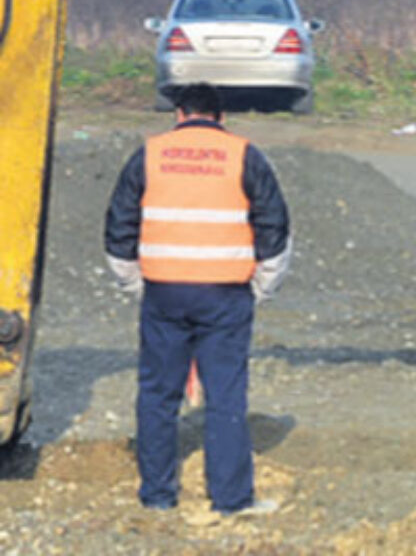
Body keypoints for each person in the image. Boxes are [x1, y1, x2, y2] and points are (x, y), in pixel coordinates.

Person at [104, 82, 292, 517]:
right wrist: (261, 287)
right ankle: (230, 499)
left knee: (157, 394)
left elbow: (118, 228)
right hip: (225, 294)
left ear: (179, 114)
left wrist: (137, 284)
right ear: (221, 117)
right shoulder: (243, 155)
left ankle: (157, 495)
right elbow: (274, 228)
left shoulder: (149, 154)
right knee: (225, 396)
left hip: (164, 292)